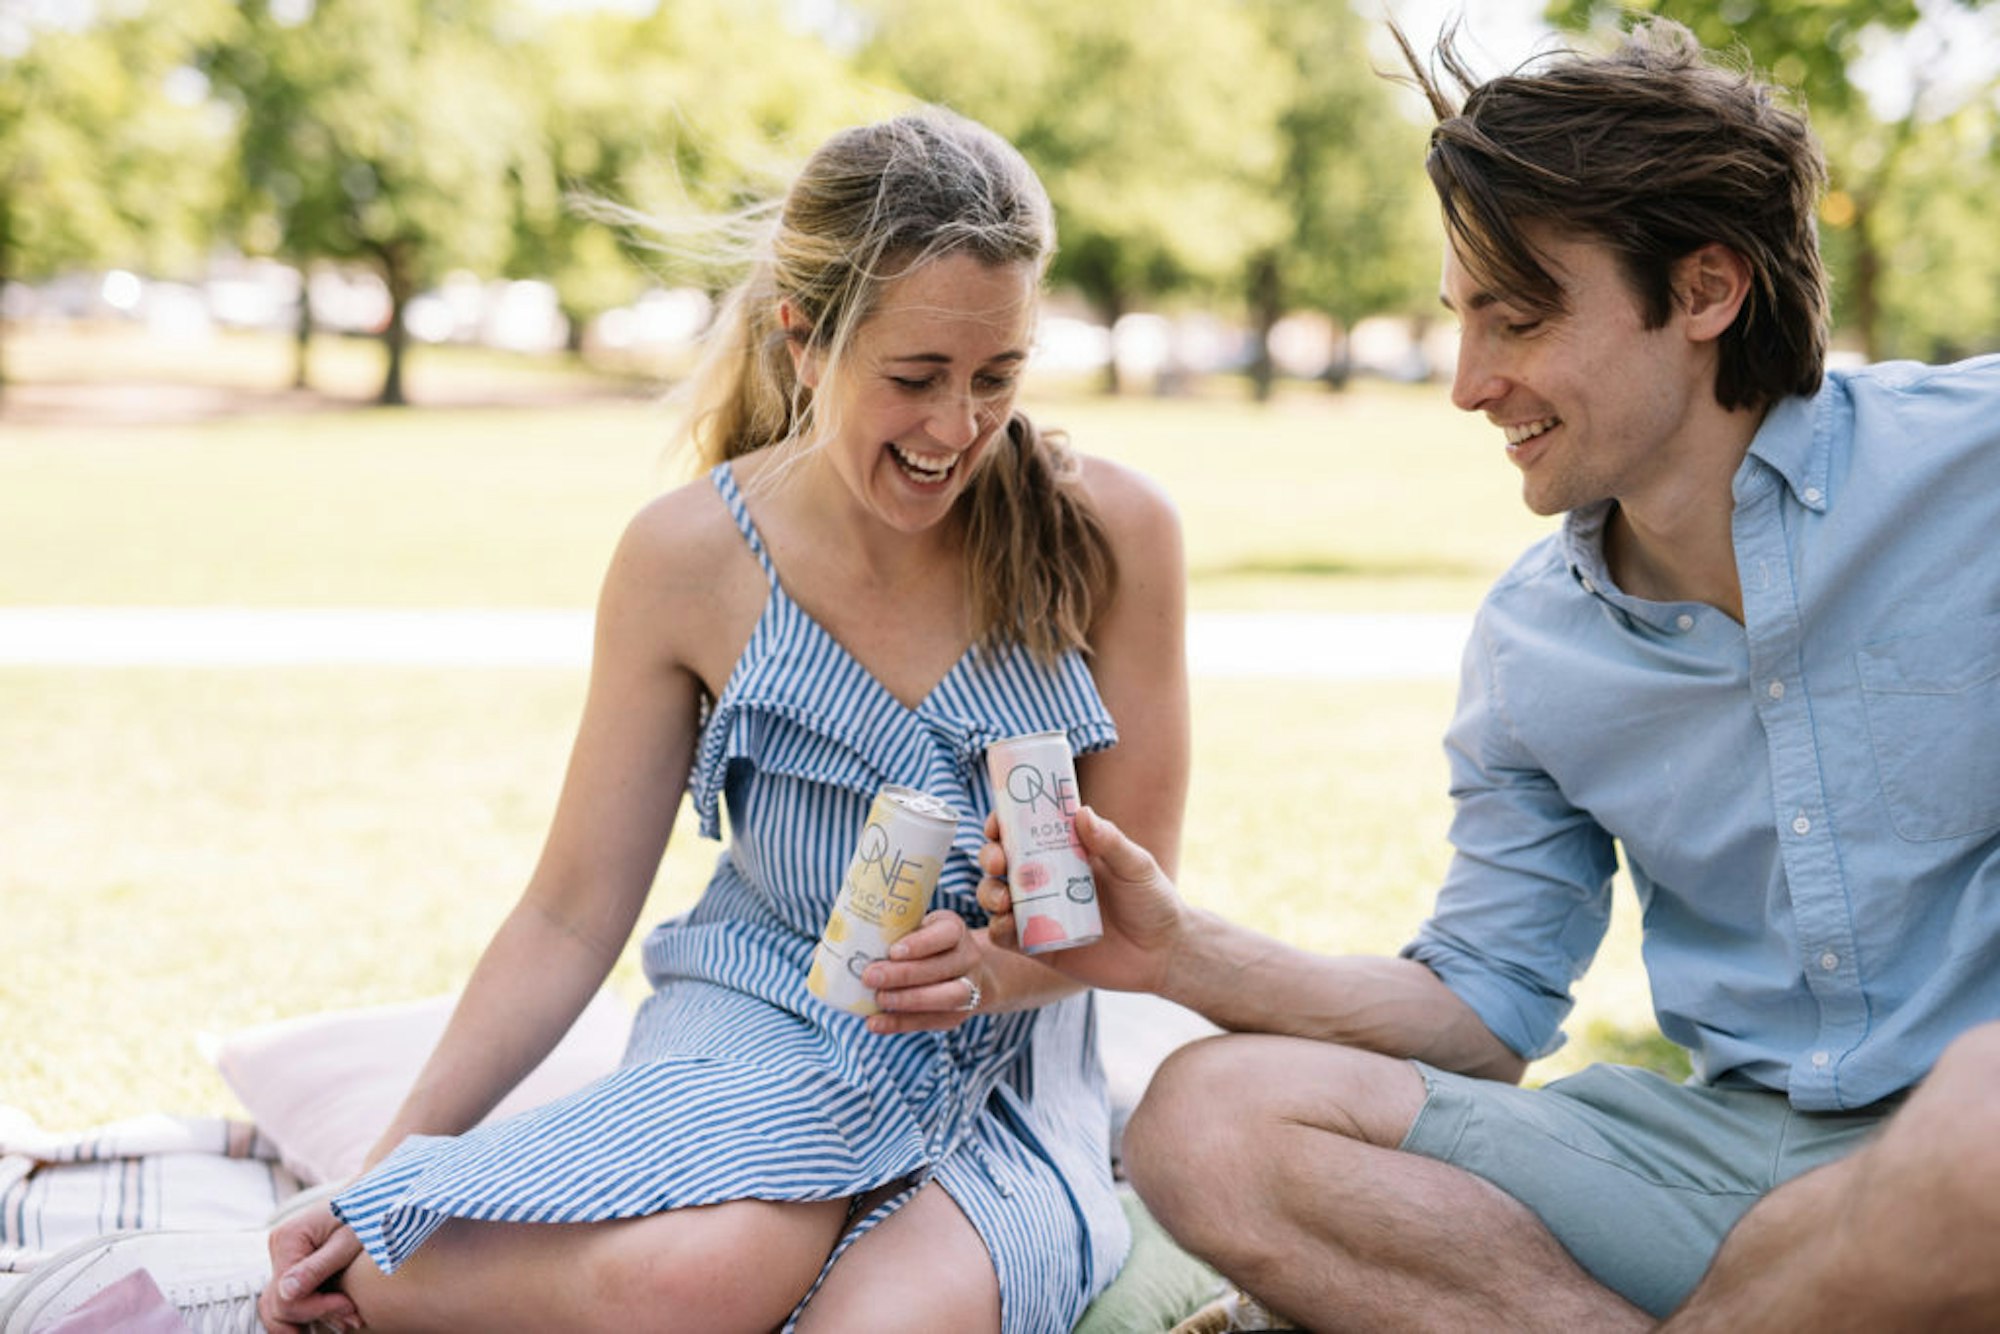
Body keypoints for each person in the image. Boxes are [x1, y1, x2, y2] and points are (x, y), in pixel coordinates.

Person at [1, 108, 1189, 1334]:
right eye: (913, 378)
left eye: (997, 376)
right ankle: (333, 1273)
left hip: (995, 1072)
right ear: (802, 338)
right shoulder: (688, 556)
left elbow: (1128, 924)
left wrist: (994, 967)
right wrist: (394, 1160)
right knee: (688, 1280)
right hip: (761, 1024)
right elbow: (571, 911)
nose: (957, 427)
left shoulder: (1111, 536)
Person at [975, 19, 2000, 1332]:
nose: (1468, 384)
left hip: (1973, 1128)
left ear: (1704, 291)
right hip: (1721, 1158)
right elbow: (1483, 1009)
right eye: (1462, 320)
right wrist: (1175, 948)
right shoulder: (1535, 642)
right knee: (1208, 1120)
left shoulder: (1969, 471)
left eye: (1518, 320)